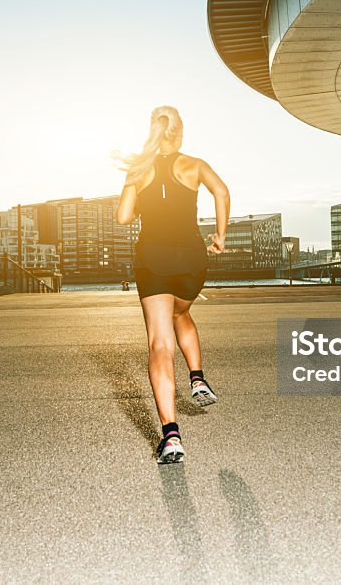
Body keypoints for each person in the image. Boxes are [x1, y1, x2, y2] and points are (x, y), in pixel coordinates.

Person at [115, 105, 230, 464]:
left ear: (153, 132)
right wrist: (221, 236)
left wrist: (136, 188)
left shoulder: (140, 170)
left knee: (159, 344)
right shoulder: (195, 164)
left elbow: (122, 217)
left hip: (152, 261)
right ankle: (197, 378)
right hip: (191, 260)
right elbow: (222, 192)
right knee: (182, 313)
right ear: (179, 133)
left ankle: (171, 436)